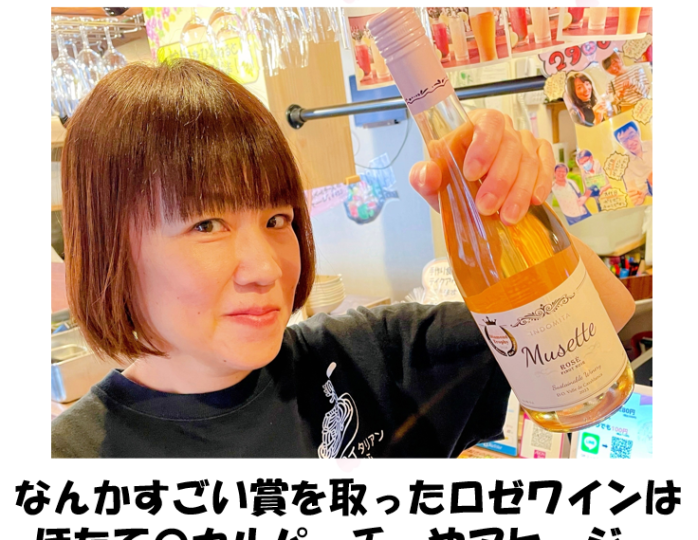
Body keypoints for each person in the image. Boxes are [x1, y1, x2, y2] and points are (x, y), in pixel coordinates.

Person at [51, 59, 634, 459]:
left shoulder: (366, 359)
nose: (266, 268)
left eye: (278, 220)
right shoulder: (69, 458)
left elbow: (607, 318)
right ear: (110, 250)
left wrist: (519, 206)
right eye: (207, 225)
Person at [614, 121, 653, 205]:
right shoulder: (624, 163)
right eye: (624, 140)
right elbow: (632, 188)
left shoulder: (652, 145)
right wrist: (635, 198)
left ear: (638, 133)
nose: (630, 143)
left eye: (631, 136)